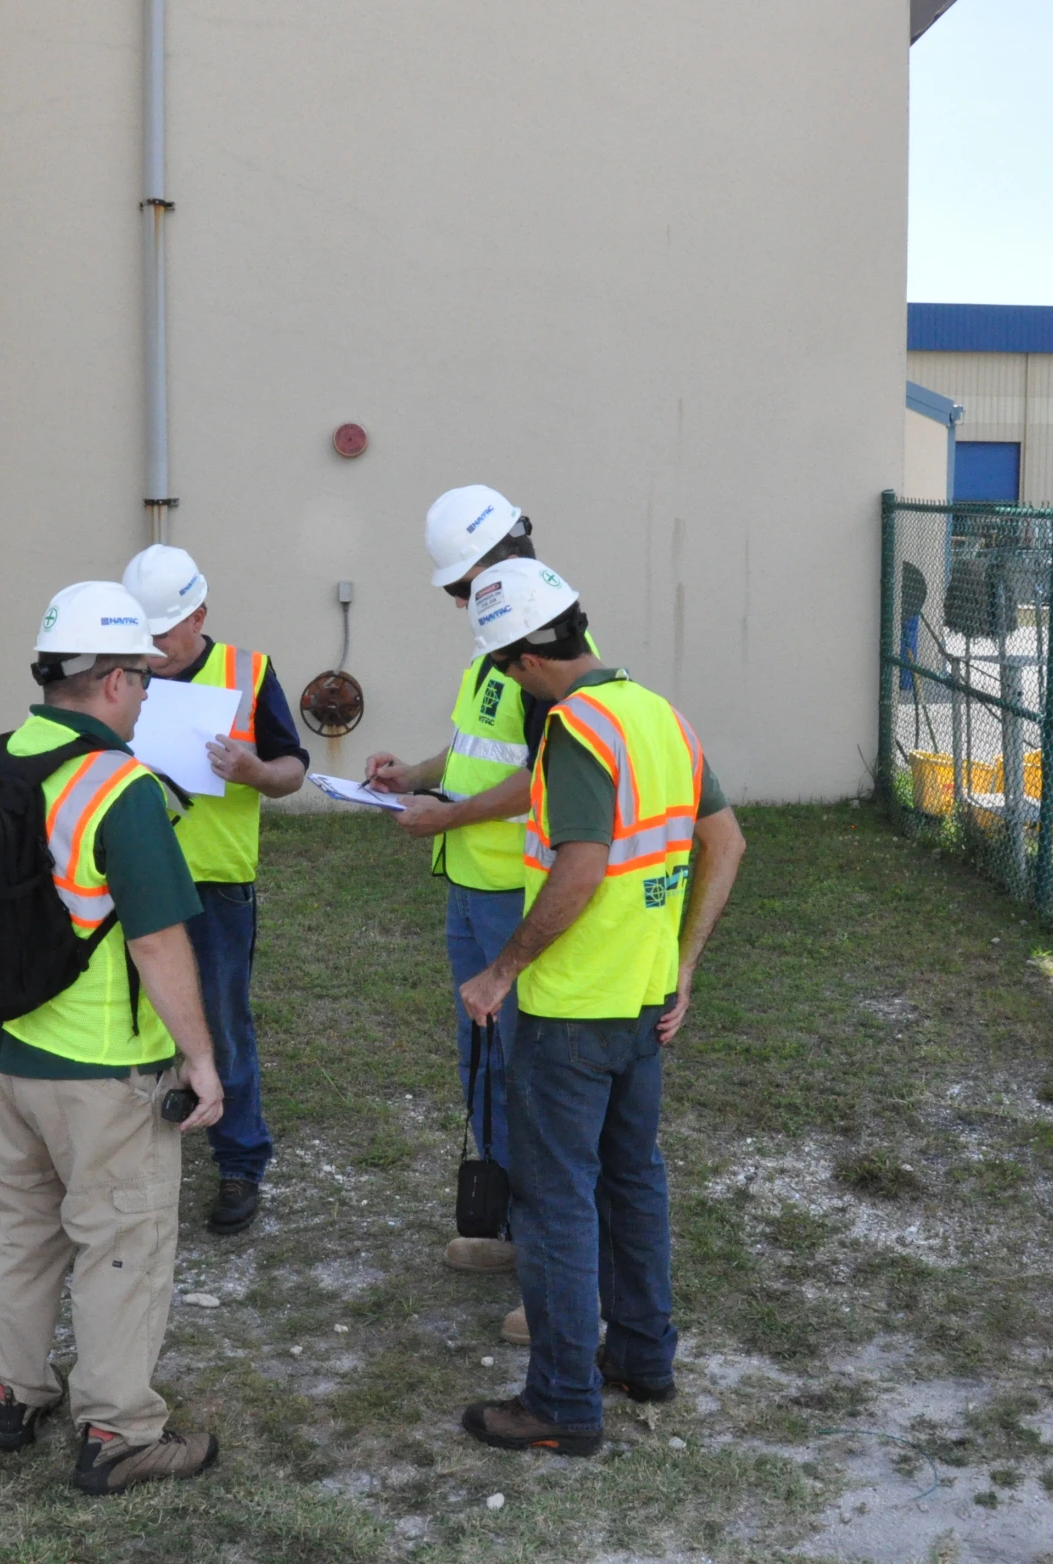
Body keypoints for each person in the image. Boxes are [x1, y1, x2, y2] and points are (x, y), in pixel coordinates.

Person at [450, 560, 746, 1457]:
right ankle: (644, 1358)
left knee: (554, 1205)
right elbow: (724, 841)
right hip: (644, 1005)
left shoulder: (575, 728)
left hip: (572, 1011)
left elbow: (578, 865)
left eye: (503, 669)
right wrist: (685, 965)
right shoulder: (658, 714)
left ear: (525, 660)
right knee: (632, 1182)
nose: (506, 681)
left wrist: (500, 970)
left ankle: (562, 1403)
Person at [0, 579, 227, 1495]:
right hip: (103, 1071)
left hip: (3, 1055)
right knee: (121, 1242)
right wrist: (201, 1061)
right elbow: (158, 940)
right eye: (145, 678)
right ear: (116, 680)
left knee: (24, 1229)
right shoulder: (122, 789)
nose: (149, 692)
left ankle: (15, 1389)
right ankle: (118, 1431)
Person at [361, 485, 550, 1298]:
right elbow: (478, 749)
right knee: (488, 1069)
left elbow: (548, 776)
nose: (458, 600)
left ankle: (551, 1265)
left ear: (497, 559)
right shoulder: (492, 648)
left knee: (533, 1077)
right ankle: (512, 1230)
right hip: (472, 893)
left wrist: (449, 816)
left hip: (519, 895)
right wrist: (416, 777)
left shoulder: (542, 649)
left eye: (458, 583)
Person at [122, 544, 309, 1236]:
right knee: (129, 1017)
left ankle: (238, 1160)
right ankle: (132, 1149)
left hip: (215, 882)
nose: (151, 650)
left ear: (199, 613)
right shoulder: (119, 671)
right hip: (129, 873)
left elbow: (292, 768)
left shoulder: (248, 674)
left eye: (162, 634)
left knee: (221, 1023)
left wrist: (252, 770)